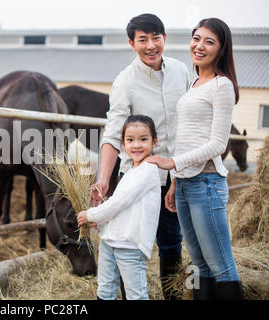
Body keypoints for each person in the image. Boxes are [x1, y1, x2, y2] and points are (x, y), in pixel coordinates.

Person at [90, 13, 191, 299]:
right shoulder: (125, 82)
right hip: (134, 179)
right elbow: (112, 135)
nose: (150, 45)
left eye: (156, 38)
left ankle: (173, 295)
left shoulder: (181, 71)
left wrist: (178, 174)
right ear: (132, 44)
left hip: (174, 174)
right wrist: (103, 181)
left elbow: (187, 124)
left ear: (165, 39)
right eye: (142, 40)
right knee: (125, 242)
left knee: (172, 242)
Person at [146, 18, 244, 300]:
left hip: (207, 184)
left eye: (209, 41)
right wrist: (176, 182)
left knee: (221, 266)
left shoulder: (221, 85)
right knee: (199, 265)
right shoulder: (195, 83)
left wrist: (171, 163)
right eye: (196, 38)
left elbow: (216, 144)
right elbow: (187, 138)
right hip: (187, 185)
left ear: (222, 50)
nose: (199, 46)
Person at [78, 115, 160, 300]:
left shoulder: (148, 171)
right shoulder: (131, 172)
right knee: (105, 290)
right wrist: (101, 225)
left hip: (130, 245)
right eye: (130, 140)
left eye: (143, 139)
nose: (136, 145)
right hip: (110, 241)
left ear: (155, 141)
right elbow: (121, 208)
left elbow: (119, 202)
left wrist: (92, 215)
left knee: (135, 294)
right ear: (123, 144)